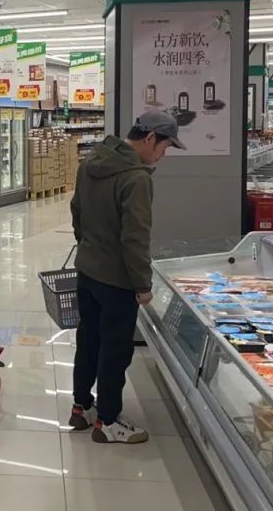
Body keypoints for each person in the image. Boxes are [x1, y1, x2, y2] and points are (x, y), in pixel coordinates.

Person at [67, 111, 185, 444]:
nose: (163, 155)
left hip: (87, 270)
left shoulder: (91, 163)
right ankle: (108, 421)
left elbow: (77, 212)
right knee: (115, 349)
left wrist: (89, 248)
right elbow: (135, 237)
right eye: (165, 147)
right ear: (150, 139)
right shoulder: (136, 179)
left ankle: (81, 407)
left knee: (88, 340)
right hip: (116, 280)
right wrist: (142, 284)